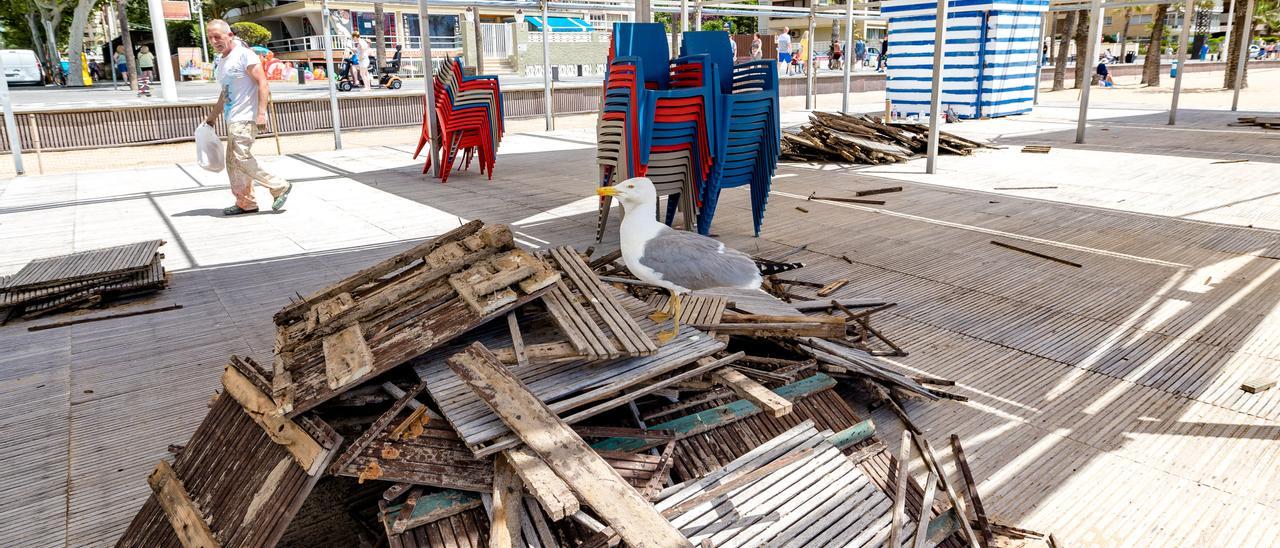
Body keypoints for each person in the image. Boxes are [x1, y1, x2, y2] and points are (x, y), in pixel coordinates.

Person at [203, 19, 292, 216]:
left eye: (217, 36)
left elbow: (263, 83)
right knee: (233, 163)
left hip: (246, 117)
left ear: (230, 35)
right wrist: (211, 118)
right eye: (210, 37)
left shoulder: (244, 55)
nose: (214, 41)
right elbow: (224, 93)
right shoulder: (221, 62)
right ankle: (246, 202)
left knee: (240, 158)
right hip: (232, 117)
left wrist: (261, 113)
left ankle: (279, 186)